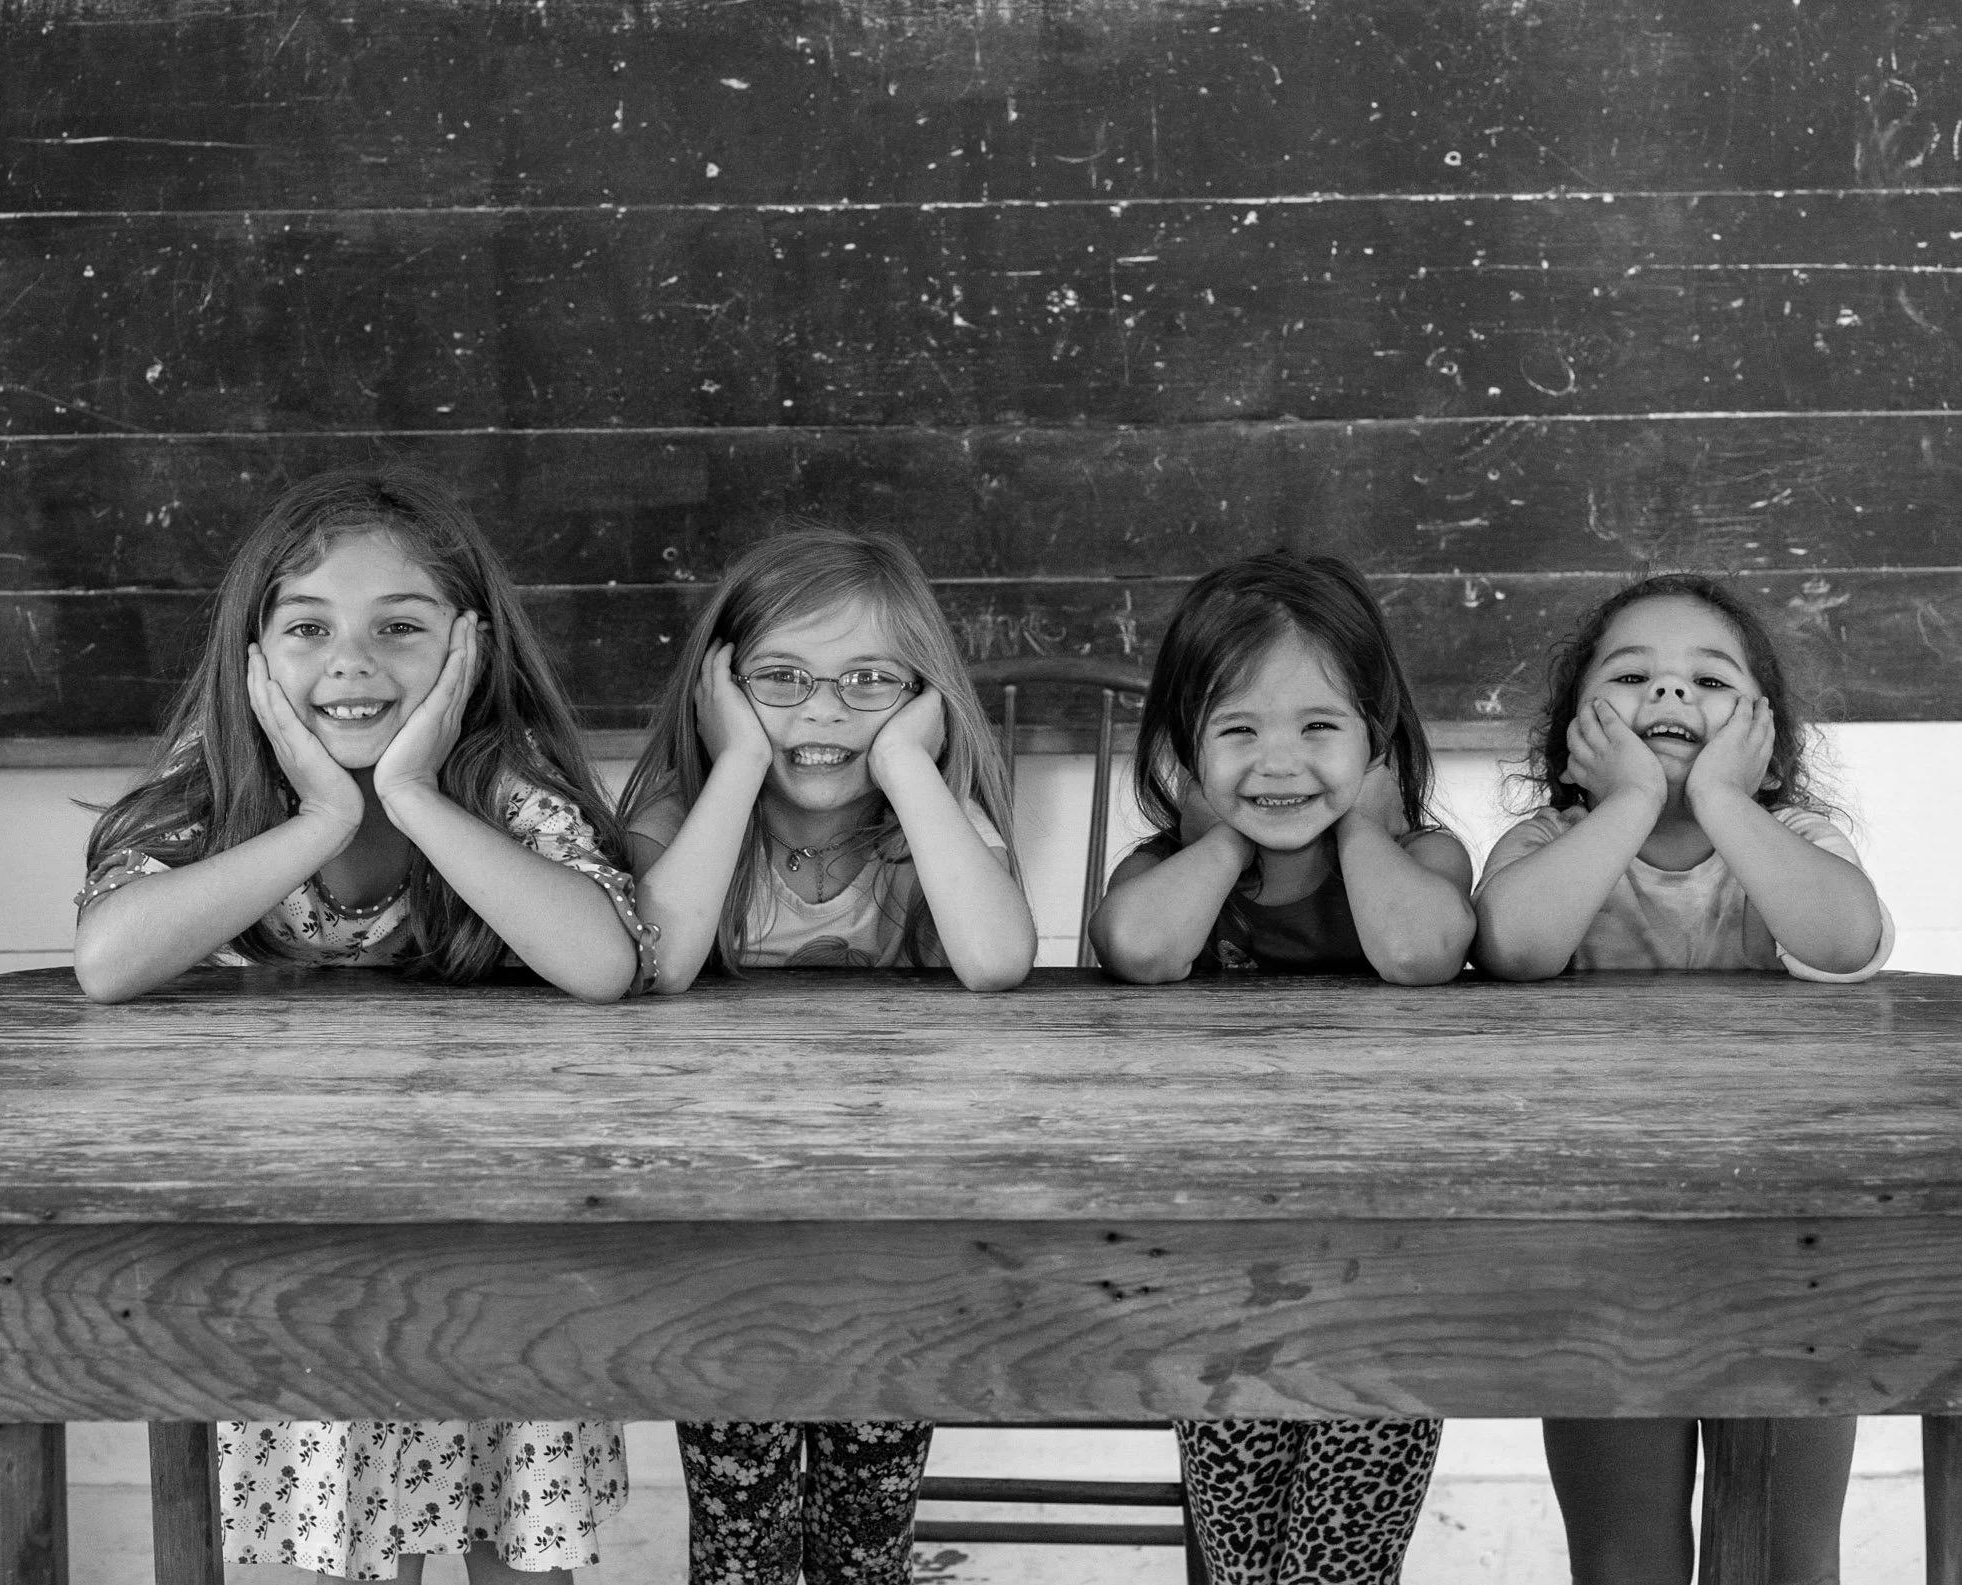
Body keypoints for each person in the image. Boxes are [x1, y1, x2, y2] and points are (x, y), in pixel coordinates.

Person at [74, 465, 640, 1582]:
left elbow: (600, 963)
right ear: (251, 652)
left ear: (468, 647)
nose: (351, 663)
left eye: (400, 627)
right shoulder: (222, 788)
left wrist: (416, 796)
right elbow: (109, 961)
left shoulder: (497, 785)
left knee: (515, 1514)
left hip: (501, 1215)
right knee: (356, 1534)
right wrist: (324, 814)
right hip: (310, 1212)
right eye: (307, 628)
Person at [618, 523, 1036, 1583]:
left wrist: (906, 767)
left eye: (869, 682)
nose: (822, 711)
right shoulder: (687, 816)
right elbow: (656, 963)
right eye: (781, 680)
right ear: (721, 686)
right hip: (722, 1233)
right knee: (744, 1543)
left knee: (863, 1543)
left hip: (894, 1234)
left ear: (921, 694)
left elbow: (992, 960)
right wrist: (738, 761)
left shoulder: (927, 823)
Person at [1473, 572, 1891, 1585]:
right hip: (1598, 1247)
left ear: (1764, 731)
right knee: (1623, 1561)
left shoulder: (1788, 846)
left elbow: (1844, 940)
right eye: (1630, 677)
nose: (1667, 696)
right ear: (1575, 728)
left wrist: (1717, 798)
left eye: (1706, 679)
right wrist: (1626, 802)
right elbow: (1514, 947)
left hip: (1788, 1247)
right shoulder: (1545, 849)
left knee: (1787, 1562)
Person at [1089, 550, 1474, 1584]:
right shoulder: (1166, 874)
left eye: (1319, 728)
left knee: (1333, 1570)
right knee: (1236, 1554)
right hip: (1219, 1273)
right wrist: (1219, 843)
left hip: (1386, 1279)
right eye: (1237, 730)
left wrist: (1360, 826)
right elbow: (1136, 947)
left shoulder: (1418, 865)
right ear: (1183, 750)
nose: (1279, 764)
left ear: (1378, 739)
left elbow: (1419, 951)